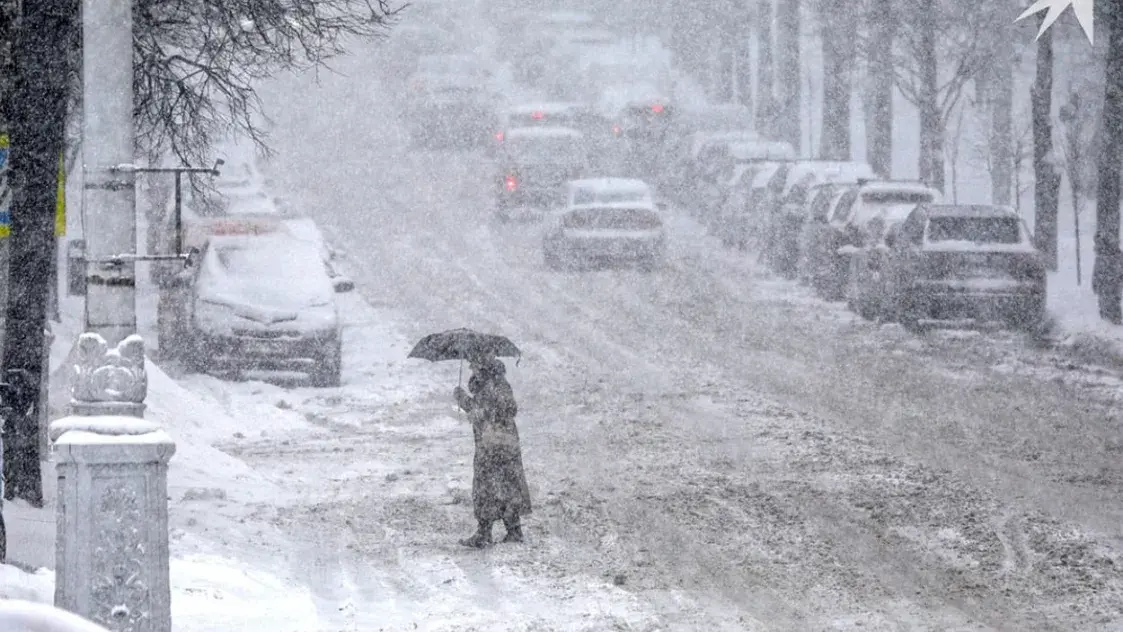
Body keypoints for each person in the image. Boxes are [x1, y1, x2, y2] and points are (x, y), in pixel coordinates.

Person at [453, 354, 532, 548]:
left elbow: (492, 412)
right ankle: (512, 530)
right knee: (506, 483)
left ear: (482, 366)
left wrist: (466, 401)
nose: (471, 367)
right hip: (505, 443)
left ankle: (485, 532)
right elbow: (497, 409)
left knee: (486, 485)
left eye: (474, 365)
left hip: (493, 445)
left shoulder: (492, 385)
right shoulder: (495, 383)